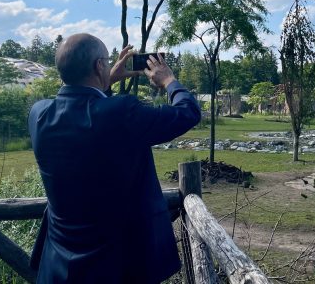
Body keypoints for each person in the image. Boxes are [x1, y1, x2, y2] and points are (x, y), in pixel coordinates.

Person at [28, 33, 201, 283]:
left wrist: (104, 81)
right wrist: (169, 81)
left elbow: (78, 109)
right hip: (118, 266)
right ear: (99, 66)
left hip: (58, 266)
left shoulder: (39, 114)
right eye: (106, 62)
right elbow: (187, 112)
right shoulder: (121, 112)